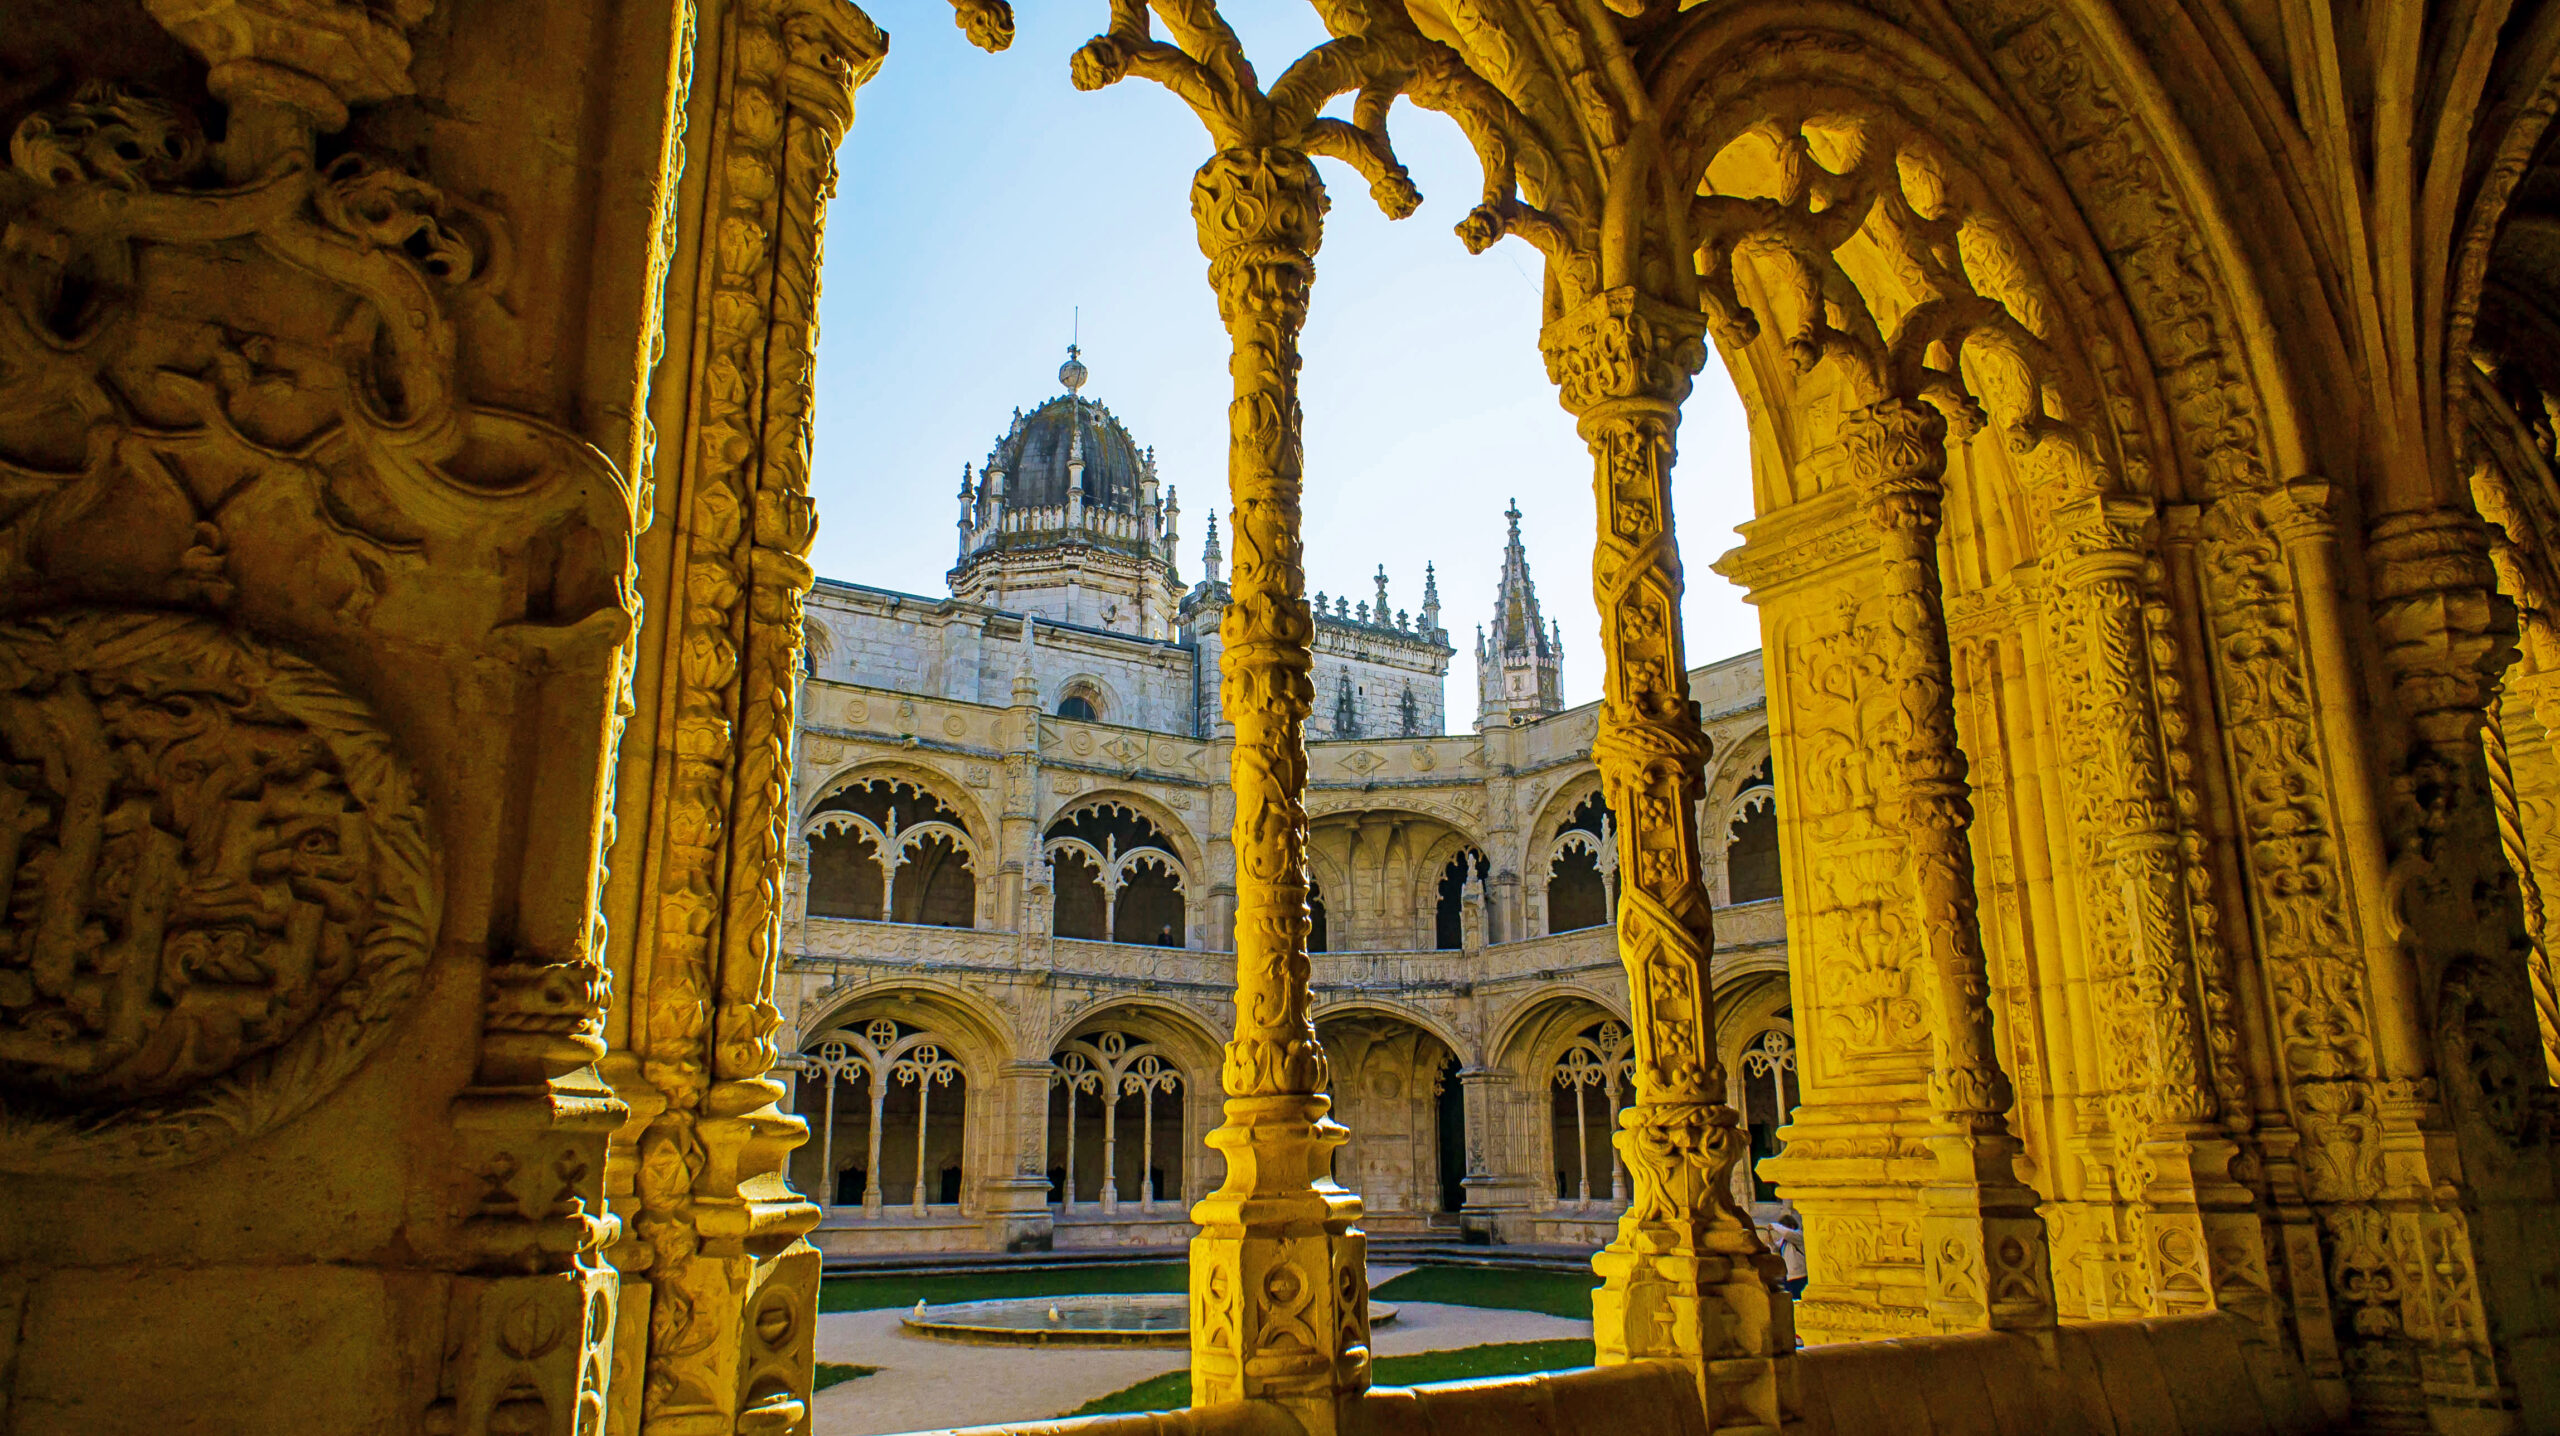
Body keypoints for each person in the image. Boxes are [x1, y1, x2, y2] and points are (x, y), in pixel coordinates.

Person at [1770, 1208, 1808, 1298]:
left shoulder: (1798, 1235)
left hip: (1799, 1276)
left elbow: (1787, 1233)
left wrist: (1774, 1225)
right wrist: (1771, 1243)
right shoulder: (1784, 1240)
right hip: (1788, 1276)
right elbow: (1776, 1249)